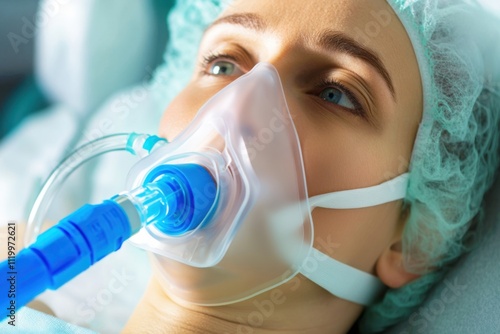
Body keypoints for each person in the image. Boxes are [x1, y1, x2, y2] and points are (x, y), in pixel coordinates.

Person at [1, 0, 499, 333]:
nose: (238, 110)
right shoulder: (25, 288)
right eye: (223, 64)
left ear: (414, 235)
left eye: (335, 92)